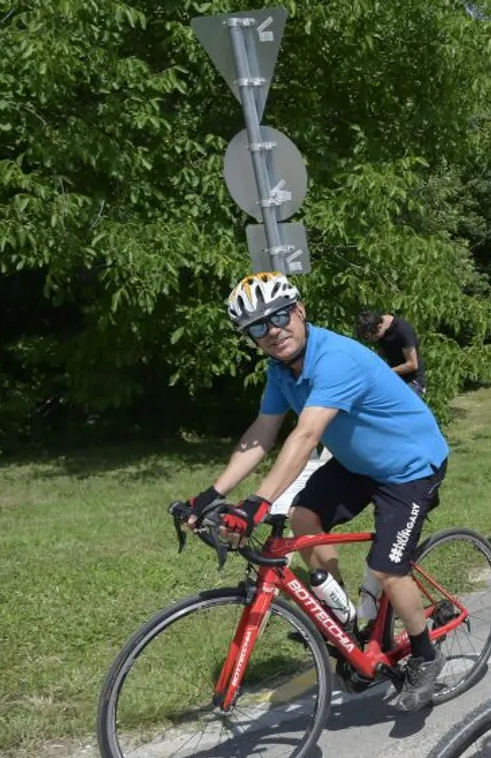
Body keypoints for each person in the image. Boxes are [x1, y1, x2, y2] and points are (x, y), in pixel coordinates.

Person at [185, 272, 451, 712]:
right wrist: (210, 493)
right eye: (257, 327)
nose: (272, 332)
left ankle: (426, 656)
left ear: (300, 311)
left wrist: (256, 503)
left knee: (387, 567)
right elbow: (262, 434)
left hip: (410, 466)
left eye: (280, 317)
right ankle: (346, 620)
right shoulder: (280, 370)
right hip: (358, 464)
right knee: (304, 518)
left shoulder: (335, 359)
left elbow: (306, 436)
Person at [355, 310, 426, 396]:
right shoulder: (375, 325)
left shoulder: (402, 331)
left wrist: (385, 372)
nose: (370, 341)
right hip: (394, 377)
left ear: (379, 327)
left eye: (370, 338)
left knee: (398, 407)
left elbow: (412, 364)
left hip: (412, 381)